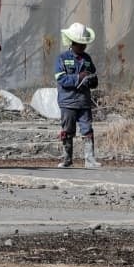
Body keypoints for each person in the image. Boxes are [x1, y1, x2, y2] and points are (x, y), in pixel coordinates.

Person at [54, 23, 100, 168]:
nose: (83, 47)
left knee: (87, 129)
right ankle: (67, 158)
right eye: (80, 44)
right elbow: (61, 79)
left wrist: (91, 79)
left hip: (84, 102)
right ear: (72, 43)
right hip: (67, 102)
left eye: (84, 44)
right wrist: (78, 78)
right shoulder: (62, 58)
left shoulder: (87, 59)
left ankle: (90, 160)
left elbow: (94, 78)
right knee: (68, 130)